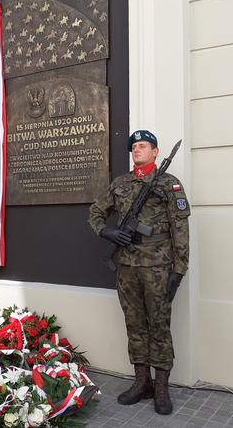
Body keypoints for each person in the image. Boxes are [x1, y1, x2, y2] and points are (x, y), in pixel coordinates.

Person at [88, 130, 190, 415]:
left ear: (156, 152)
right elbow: (95, 212)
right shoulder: (120, 184)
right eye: (133, 147)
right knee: (134, 324)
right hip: (127, 267)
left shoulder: (169, 184)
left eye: (143, 146)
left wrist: (179, 270)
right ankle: (141, 382)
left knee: (158, 326)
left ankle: (161, 388)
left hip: (158, 267)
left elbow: (180, 231)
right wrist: (106, 231)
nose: (137, 150)